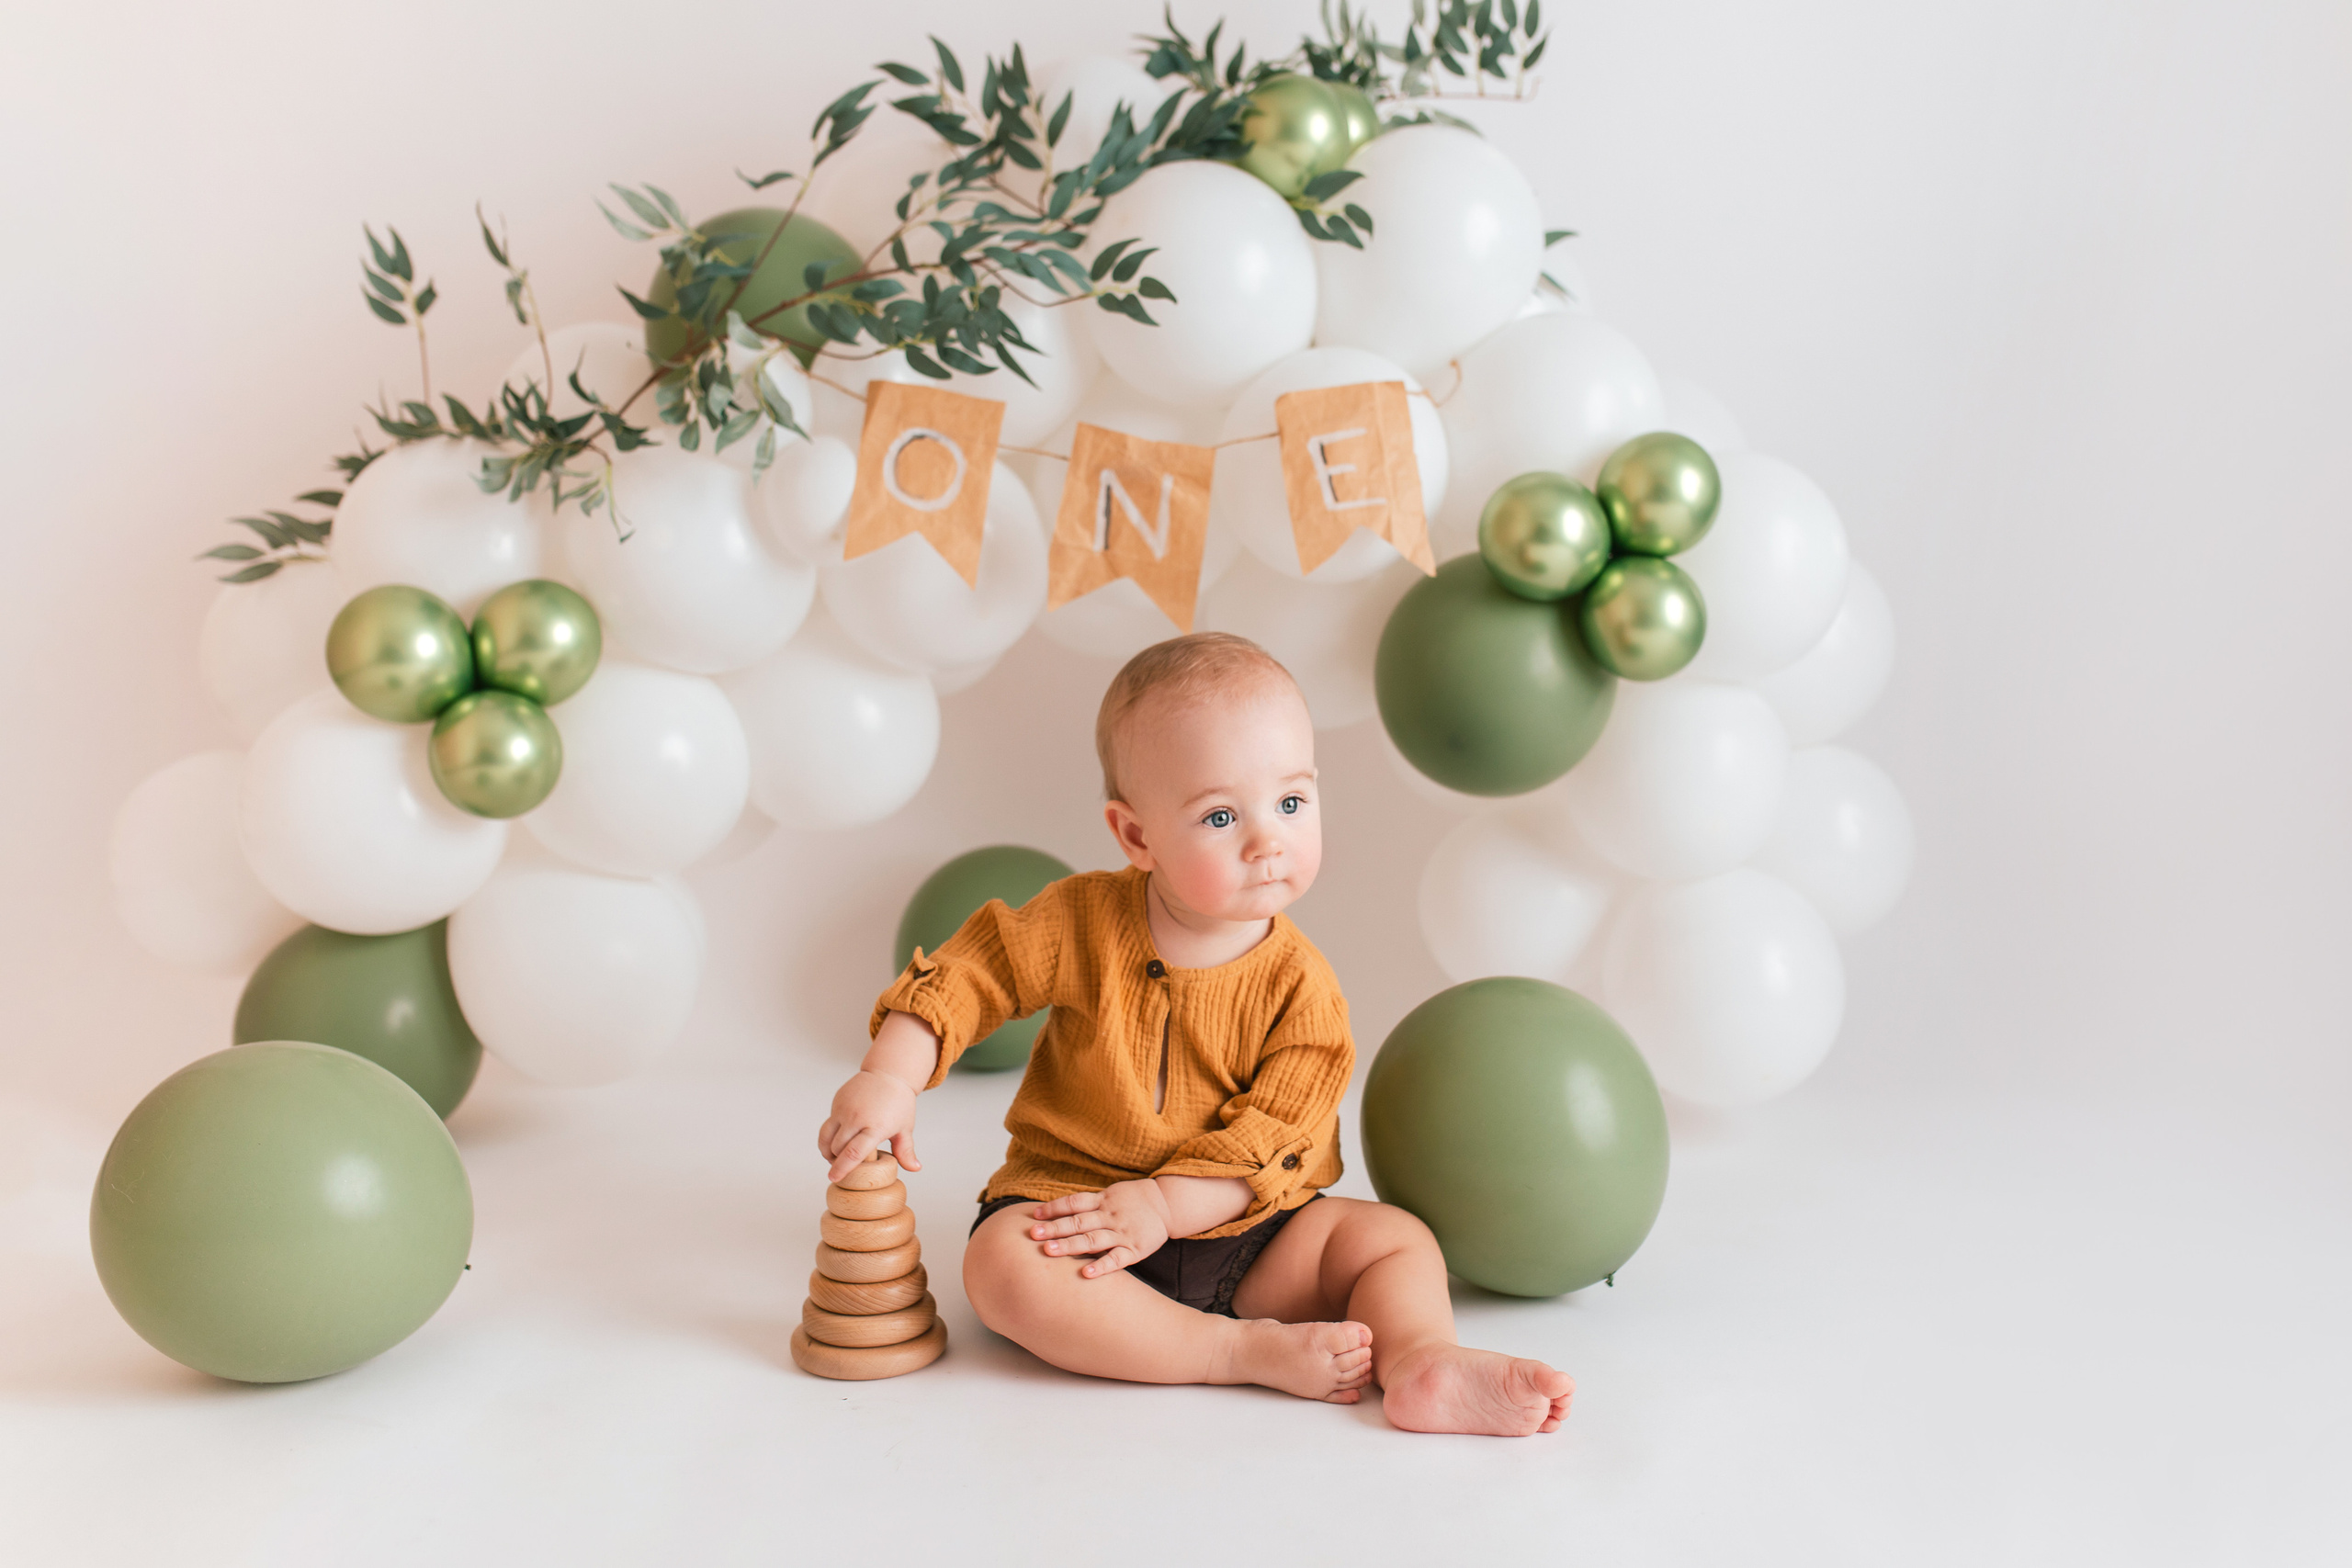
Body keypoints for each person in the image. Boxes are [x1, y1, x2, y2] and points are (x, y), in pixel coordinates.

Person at [818, 632, 1574, 1435]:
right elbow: (974, 971)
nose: (1267, 840)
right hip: (1075, 1214)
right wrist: (889, 1074)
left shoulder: (1303, 988)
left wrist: (1168, 1205)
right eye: (1221, 815)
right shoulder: (1079, 921)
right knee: (998, 1267)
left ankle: (1423, 1360)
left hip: (1246, 1234)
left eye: (1291, 802)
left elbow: (1275, 1135)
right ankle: (1229, 1352)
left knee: (1393, 1240)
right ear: (1137, 836)